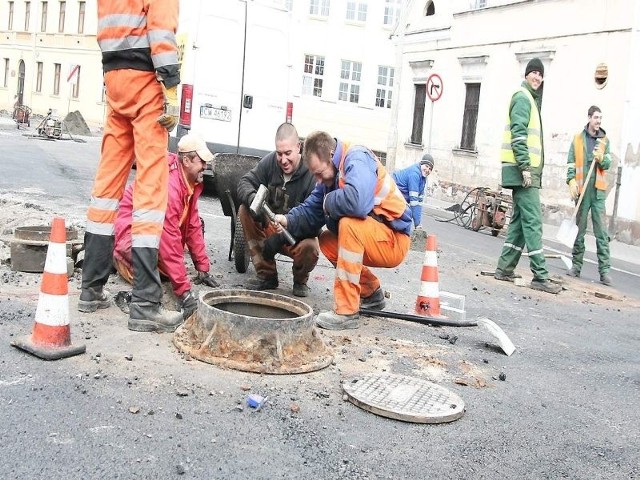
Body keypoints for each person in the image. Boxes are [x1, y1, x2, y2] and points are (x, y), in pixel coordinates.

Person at [79, 0, 184, 332]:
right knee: (151, 189)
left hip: (115, 81)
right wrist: (170, 89)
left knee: (106, 188)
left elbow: (108, 31)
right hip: (144, 84)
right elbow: (162, 34)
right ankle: (145, 303)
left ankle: (91, 289)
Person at [273, 131, 413, 330]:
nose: (318, 181)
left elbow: (358, 203)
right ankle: (370, 293)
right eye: (315, 176)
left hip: (394, 239)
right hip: (377, 235)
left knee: (349, 224)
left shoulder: (357, 159)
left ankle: (346, 311)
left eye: (319, 174)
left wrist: (328, 201)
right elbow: (313, 207)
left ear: (331, 156)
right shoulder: (330, 174)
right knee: (328, 240)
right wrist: (287, 219)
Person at [113, 134, 219, 322]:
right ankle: (124, 269)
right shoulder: (170, 186)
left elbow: (192, 226)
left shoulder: (188, 183)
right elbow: (168, 241)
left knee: (169, 266)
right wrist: (185, 294)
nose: (205, 166)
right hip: (132, 239)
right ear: (186, 160)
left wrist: (202, 267)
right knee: (154, 275)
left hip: (148, 237)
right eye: (201, 161)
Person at [494, 58, 561, 294]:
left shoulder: (530, 99)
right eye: (533, 73)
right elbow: (519, 135)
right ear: (526, 75)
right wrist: (525, 167)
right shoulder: (523, 98)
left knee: (520, 224)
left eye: (540, 74)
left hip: (524, 171)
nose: (537, 77)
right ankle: (540, 275)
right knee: (533, 221)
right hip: (524, 172)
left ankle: (504, 267)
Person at [237, 123, 319, 297]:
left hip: (295, 236)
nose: (283, 160)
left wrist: (280, 237)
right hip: (271, 225)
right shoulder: (270, 163)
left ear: (299, 147)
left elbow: (315, 223)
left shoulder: (312, 173)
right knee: (245, 210)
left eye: (288, 153)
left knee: (311, 247)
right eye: (279, 154)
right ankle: (267, 275)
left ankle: (300, 279)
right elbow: (245, 182)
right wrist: (252, 198)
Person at [566, 106, 612, 285]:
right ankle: (576, 266)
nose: (598, 121)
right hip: (582, 191)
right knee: (579, 230)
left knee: (602, 233)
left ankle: (604, 271)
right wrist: (571, 181)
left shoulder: (604, 140)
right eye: (596, 117)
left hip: (598, 192)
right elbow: (571, 162)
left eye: (600, 118)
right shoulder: (578, 140)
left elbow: (608, 163)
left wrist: (602, 158)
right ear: (589, 118)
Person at [392, 153, 434, 229]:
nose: (427, 170)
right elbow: (414, 201)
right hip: (392, 189)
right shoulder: (415, 174)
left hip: (401, 196)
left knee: (405, 216)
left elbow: (419, 202)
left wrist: (418, 223)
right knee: (403, 216)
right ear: (421, 164)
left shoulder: (423, 179)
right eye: (426, 166)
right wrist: (417, 225)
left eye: (430, 169)